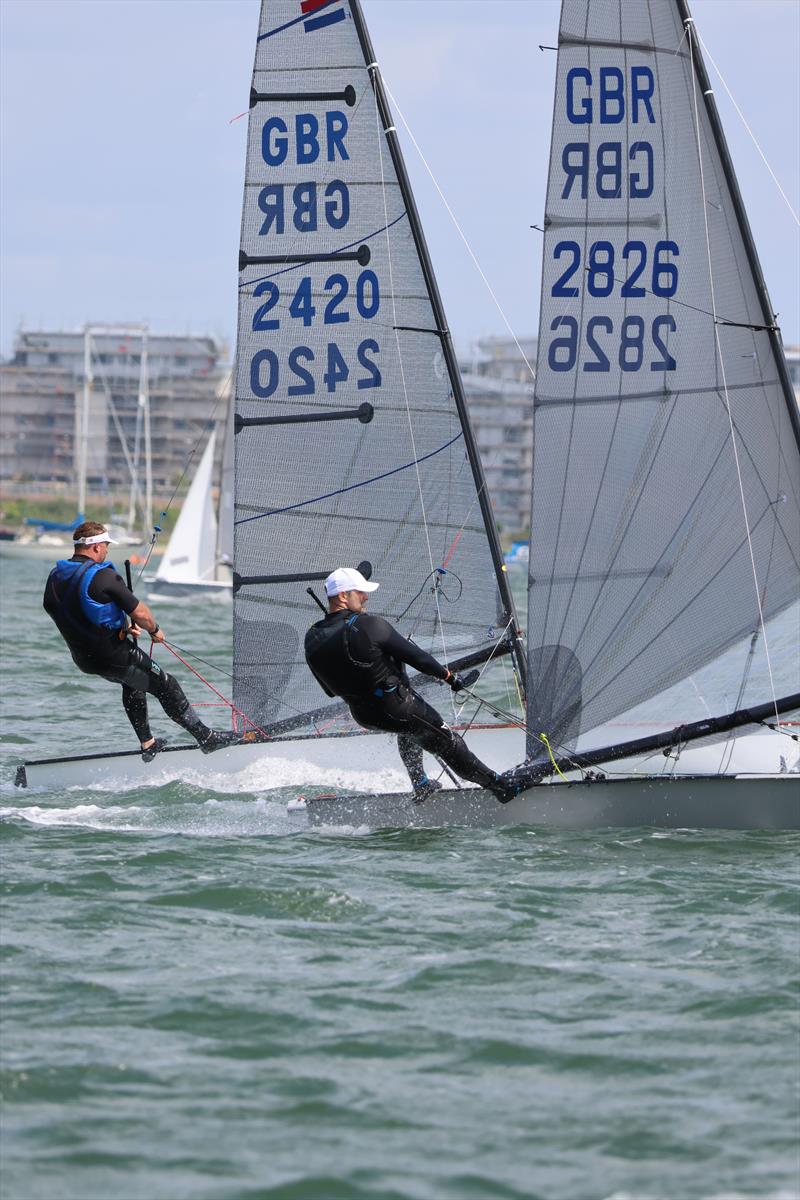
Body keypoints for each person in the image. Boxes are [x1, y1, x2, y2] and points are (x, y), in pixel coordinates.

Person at [304, 566, 511, 802]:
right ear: (343, 596)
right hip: (398, 708)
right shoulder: (369, 625)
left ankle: (420, 783)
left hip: (365, 716)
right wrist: (451, 678)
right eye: (360, 592)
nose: (366, 597)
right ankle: (501, 788)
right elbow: (418, 658)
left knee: (410, 729)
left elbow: (330, 691)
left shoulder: (312, 637)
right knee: (449, 744)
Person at [43, 521, 240, 761]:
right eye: (105, 545)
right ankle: (207, 738)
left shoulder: (55, 577)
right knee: (167, 685)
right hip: (115, 656)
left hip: (85, 659)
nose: (106, 551)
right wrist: (154, 630)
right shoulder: (103, 575)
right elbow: (142, 613)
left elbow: (74, 611)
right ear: (95, 547)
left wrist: (122, 627)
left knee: (133, 683)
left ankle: (148, 743)